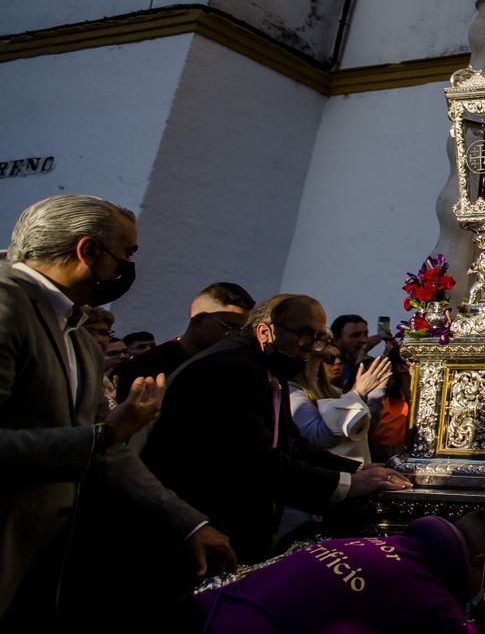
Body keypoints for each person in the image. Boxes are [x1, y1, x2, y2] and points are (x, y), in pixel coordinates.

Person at [0, 194, 234, 621]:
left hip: (44, 565)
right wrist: (105, 433)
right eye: (125, 253)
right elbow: (97, 441)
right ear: (88, 250)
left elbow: (107, 456)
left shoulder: (76, 334)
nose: (127, 267)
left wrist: (187, 523)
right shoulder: (6, 304)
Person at [142, 293, 412, 566]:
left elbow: (291, 442)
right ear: (265, 332)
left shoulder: (265, 367)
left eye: (319, 337)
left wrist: (357, 470)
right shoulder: (233, 369)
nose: (310, 349)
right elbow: (252, 460)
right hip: (204, 522)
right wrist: (346, 485)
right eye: (305, 336)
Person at [195, 511, 485, 633]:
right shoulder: (430, 596)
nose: (483, 590)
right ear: (479, 563)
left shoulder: (378, 545)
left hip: (207, 608)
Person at [111, 281, 255, 402]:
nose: (235, 335)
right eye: (229, 326)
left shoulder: (228, 369)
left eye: (241, 329)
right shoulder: (147, 366)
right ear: (200, 319)